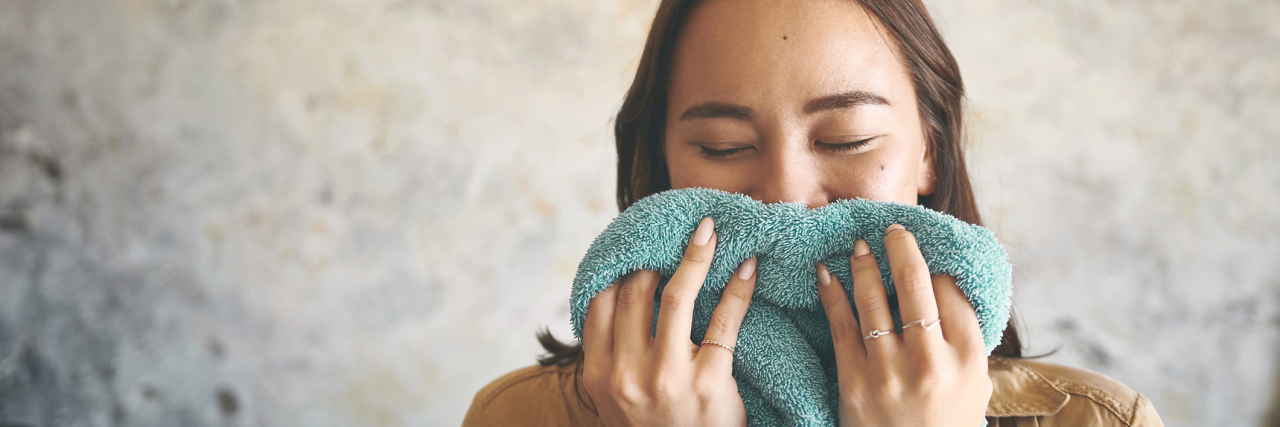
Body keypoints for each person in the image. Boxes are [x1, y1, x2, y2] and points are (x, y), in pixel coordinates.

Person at [463, 0, 1164, 425]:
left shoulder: (1101, 422)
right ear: (662, 163)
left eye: (847, 139)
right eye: (723, 146)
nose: (786, 194)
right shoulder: (518, 417)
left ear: (930, 150)